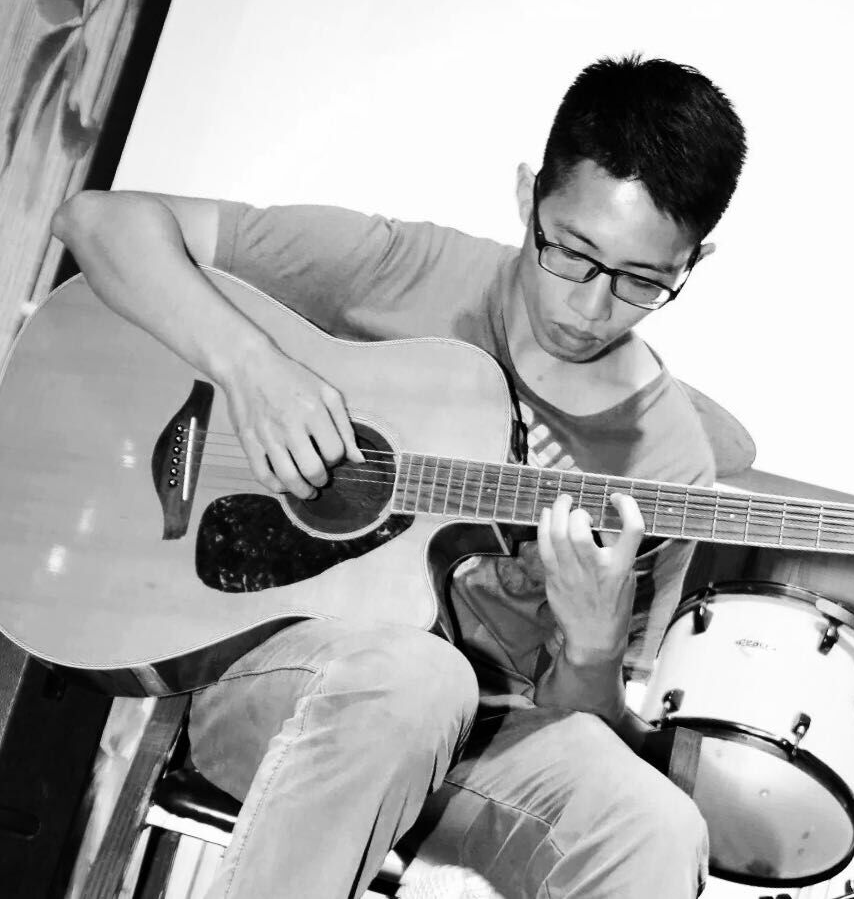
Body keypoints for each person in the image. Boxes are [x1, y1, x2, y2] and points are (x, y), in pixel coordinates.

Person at [52, 54, 746, 898]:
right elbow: (97, 221)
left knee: (659, 827)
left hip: (481, 749)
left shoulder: (668, 465)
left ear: (694, 260)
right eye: (571, 252)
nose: (590, 306)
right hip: (283, 684)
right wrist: (251, 367)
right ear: (527, 195)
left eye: (641, 280)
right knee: (420, 676)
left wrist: (594, 647)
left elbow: (582, 724)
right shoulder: (407, 271)